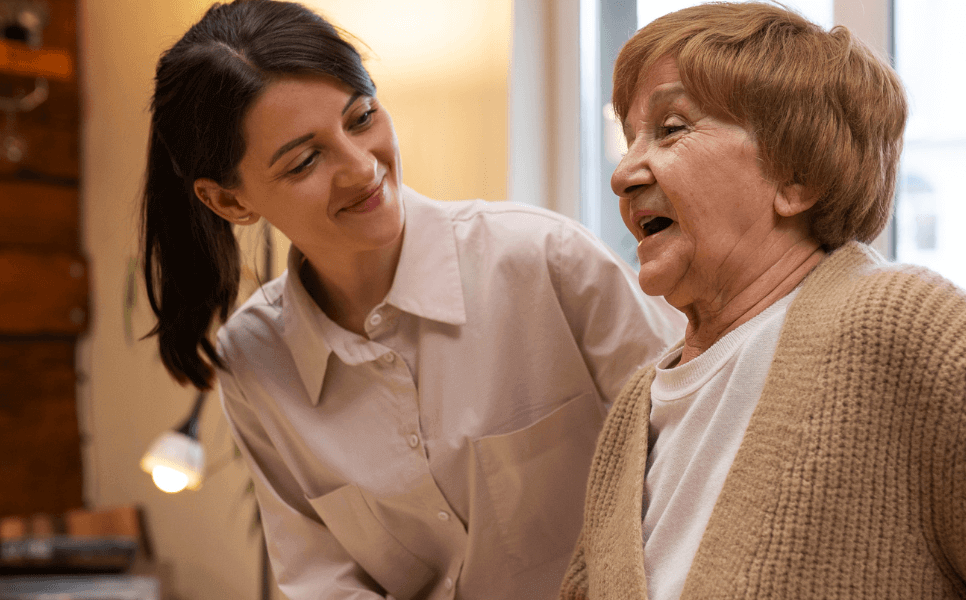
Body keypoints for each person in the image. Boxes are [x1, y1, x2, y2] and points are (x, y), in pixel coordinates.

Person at [561, 3, 966, 599]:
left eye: (671, 130)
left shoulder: (902, 327)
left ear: (796, 177)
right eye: (630, 138)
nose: (624, 173)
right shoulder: (635, 410)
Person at [139, 1, 684, 598]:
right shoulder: (253, 360)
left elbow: (691, 464)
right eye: (305, 160)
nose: (360, 168)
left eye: (361, 117)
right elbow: (324, 579)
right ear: (229, 202)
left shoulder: (545, 261)